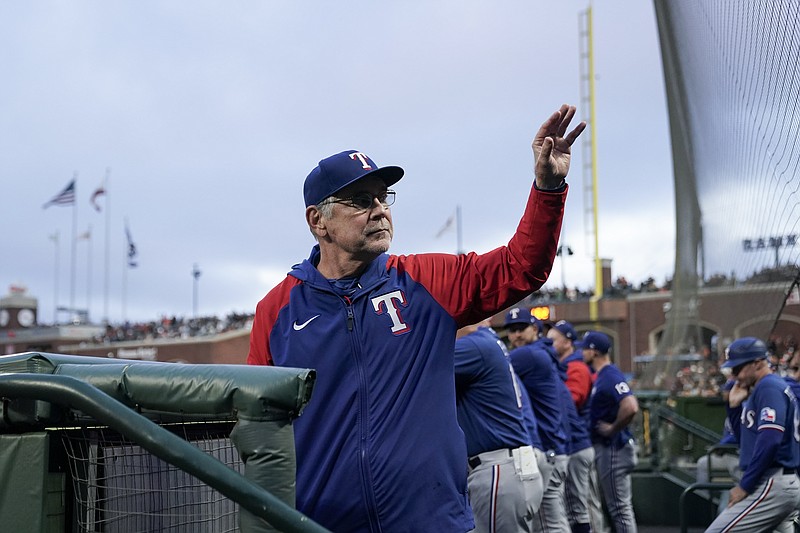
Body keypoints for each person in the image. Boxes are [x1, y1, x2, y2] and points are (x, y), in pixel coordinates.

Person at [247, 105, 585, 532]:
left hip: (432, 522)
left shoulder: (424, 280)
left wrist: (547, 189)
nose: (379, 210)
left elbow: (522, 267)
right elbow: (259, 425)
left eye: (381, 198)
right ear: (318, 221)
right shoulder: (276, 310)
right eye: (358, 201)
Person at [454, 321, 544, 533]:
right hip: (513, 464)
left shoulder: (474, 345)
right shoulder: (488, 342)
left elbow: (417, 367)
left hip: (498, 468)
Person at [705, 337, 800, 532]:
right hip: (777, 482)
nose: (733, 375)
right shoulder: (760, 389)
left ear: (757, 363)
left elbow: (770, 441)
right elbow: (746, 441)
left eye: (737, 368)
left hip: (772, 481)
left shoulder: (769, 387)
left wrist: (745, 486)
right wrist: (733, 408)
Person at [506, 308, 571, 532]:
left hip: (549, 447)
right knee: (554, 521)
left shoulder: (528, 354)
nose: (516, 335)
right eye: (511, 330)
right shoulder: (541, 351)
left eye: (521, 329)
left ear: (534, 328)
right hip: (556, 446)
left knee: (549, 524)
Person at [582, 331, 638, 533]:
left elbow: (631, 406)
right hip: (614, 448)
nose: (582, 352)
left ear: (594, 351)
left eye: (585, 348)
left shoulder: (609, 374)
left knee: (620, 509)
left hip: (614, 448)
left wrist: (613, 427)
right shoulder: (604, 374)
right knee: (618, 507)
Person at [548, 320, 594, 533]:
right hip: (574, 443)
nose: (548, 344)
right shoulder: (563, 364)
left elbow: (571, 401)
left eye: (553, 340)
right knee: (575, 508)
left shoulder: (576, 366)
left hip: (577, 444)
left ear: (568, 342)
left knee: (579, 509)